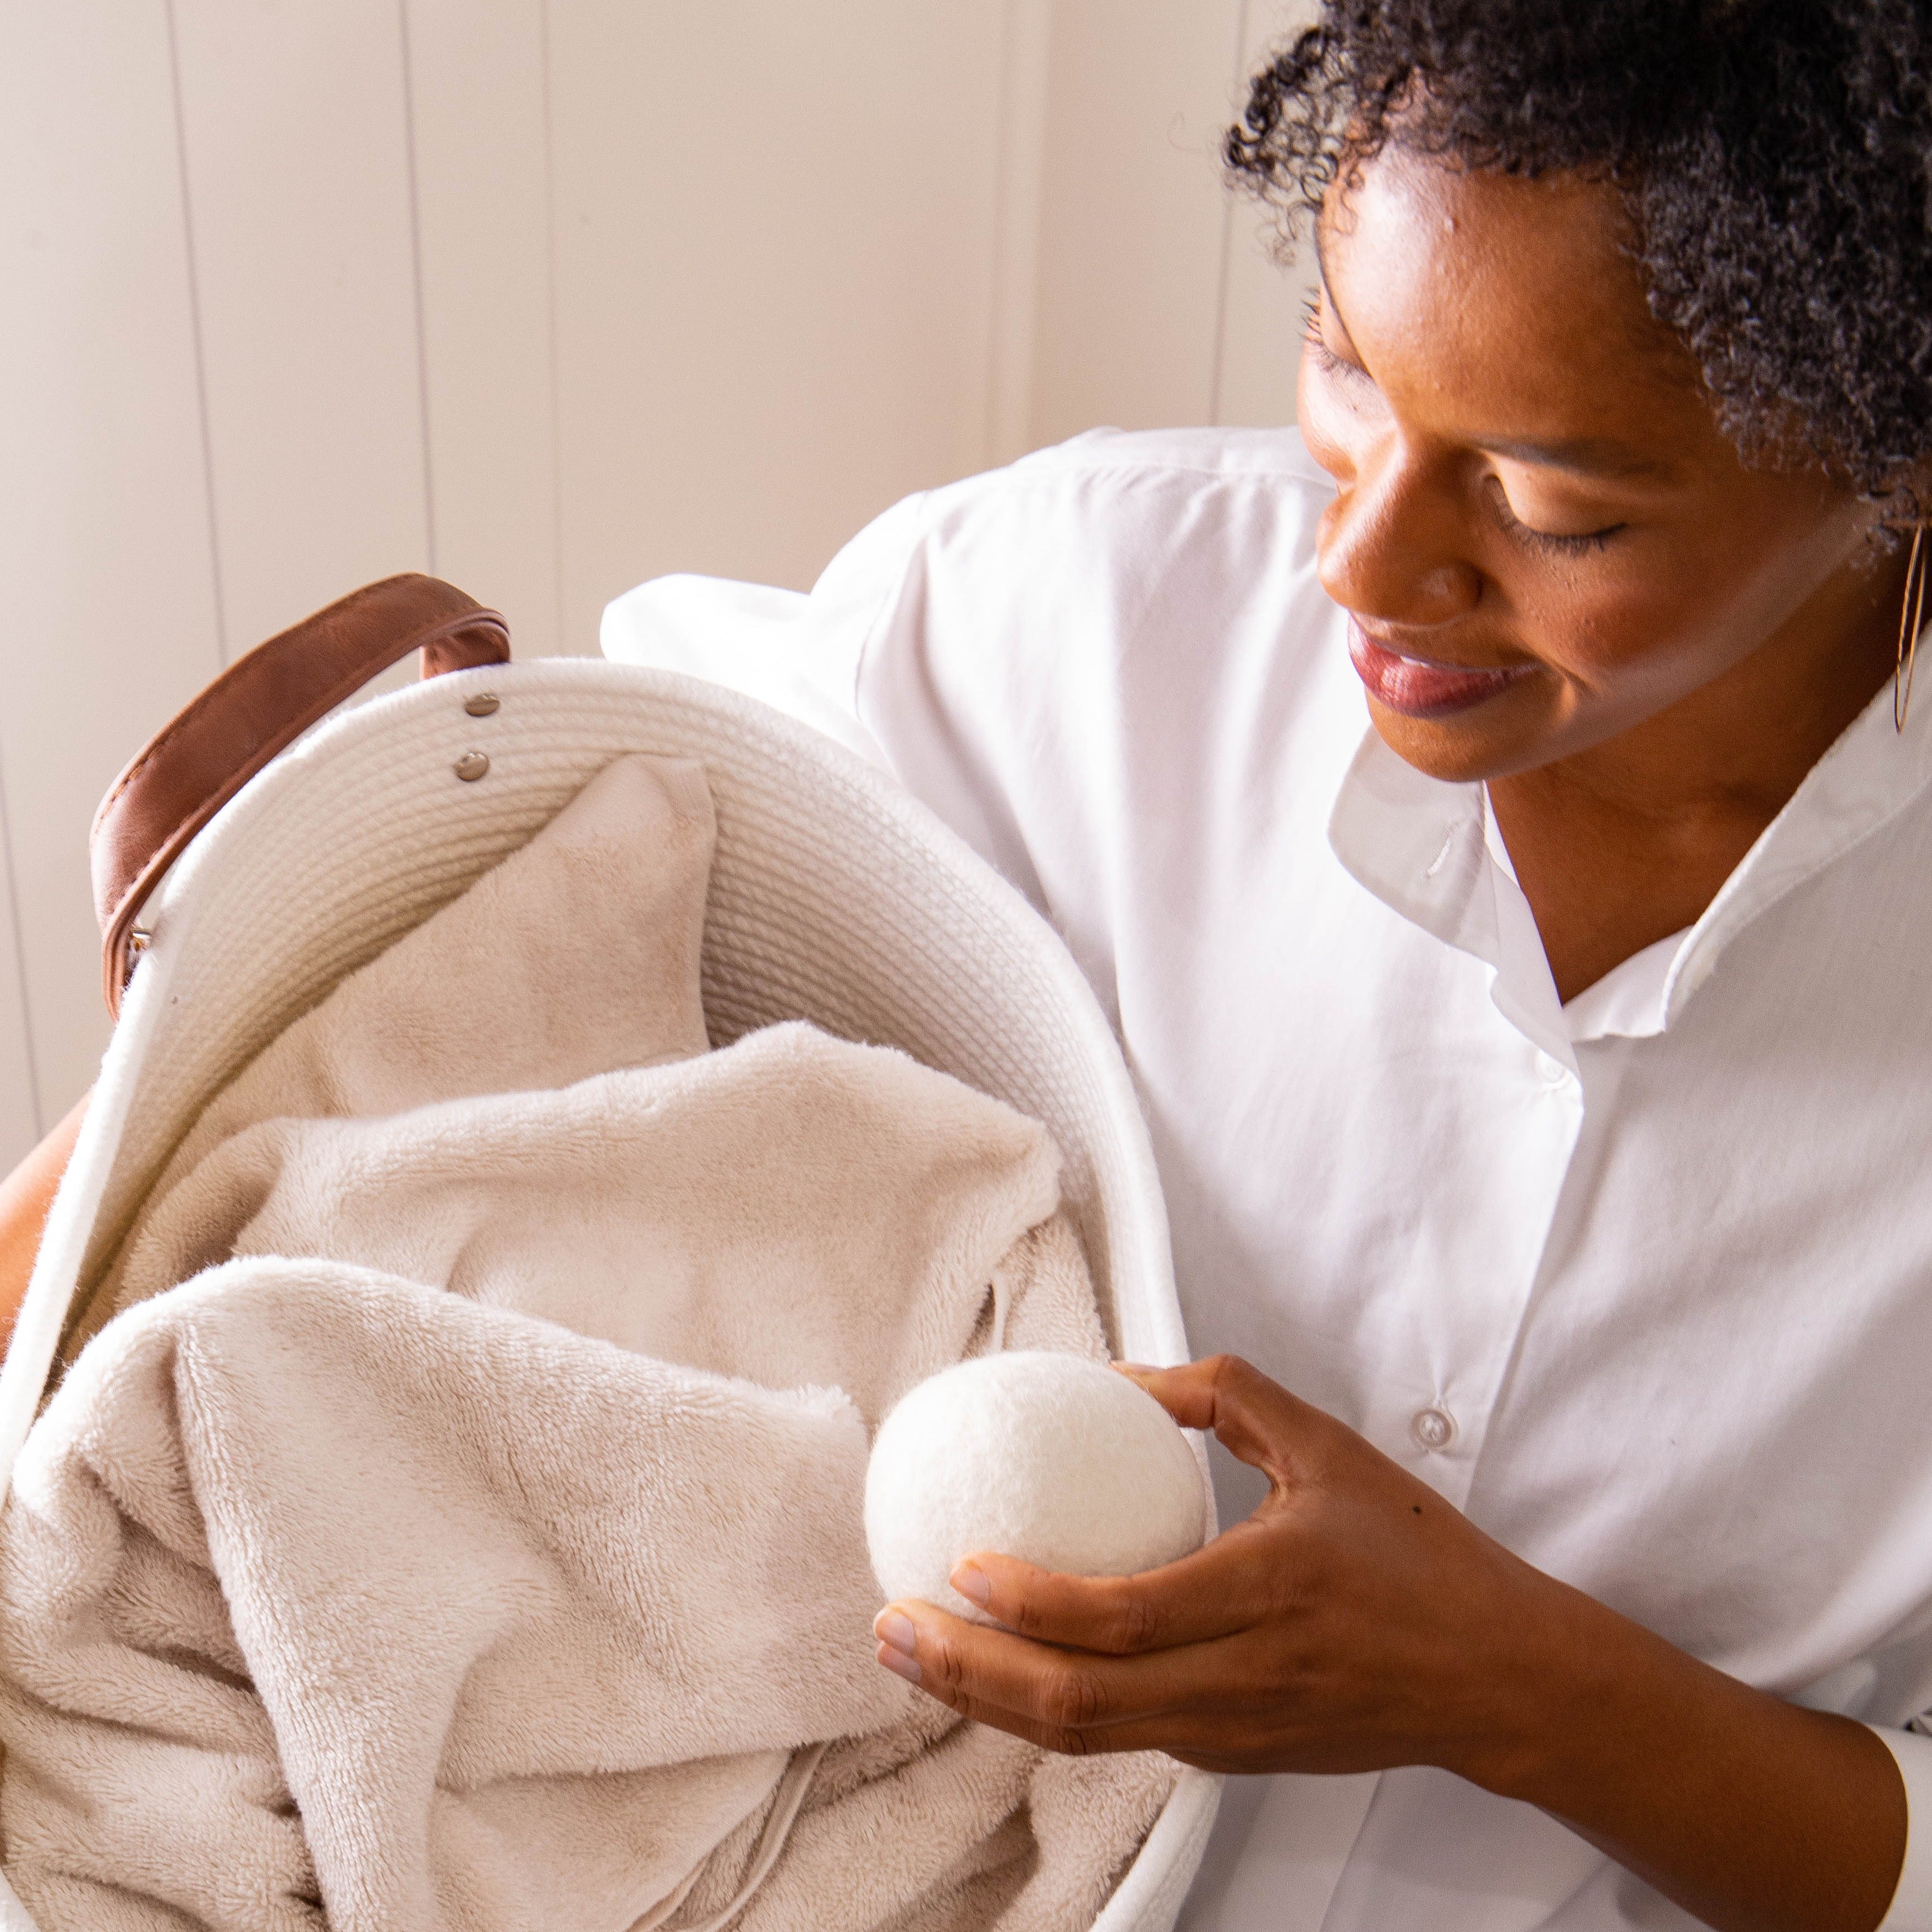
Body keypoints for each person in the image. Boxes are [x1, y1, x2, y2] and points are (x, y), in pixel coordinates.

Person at [4, 1, 1929, 1927]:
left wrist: (1508, 1690)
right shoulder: (1070, 626)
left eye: (1550, 505)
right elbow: (435, 944)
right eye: (1343, 359)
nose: (1362, 558)